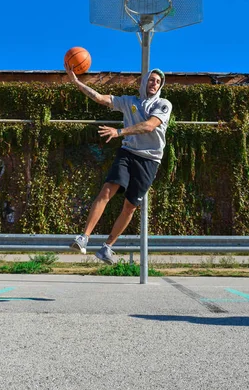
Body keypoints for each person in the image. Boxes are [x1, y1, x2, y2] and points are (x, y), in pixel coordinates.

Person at [65, 65, 172, 264]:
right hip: (128, 152)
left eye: (158, 81)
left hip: (150, 160)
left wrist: (119, 132)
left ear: (160, 86)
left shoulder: (163, 104)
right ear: (144, 82)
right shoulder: (128, 101)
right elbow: (99, 97)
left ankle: (107, 248)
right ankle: (84, 238)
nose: (154, 83)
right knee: (107, 190)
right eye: (151, 79)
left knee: (130, 207)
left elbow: (149, 126)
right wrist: (76, 82)